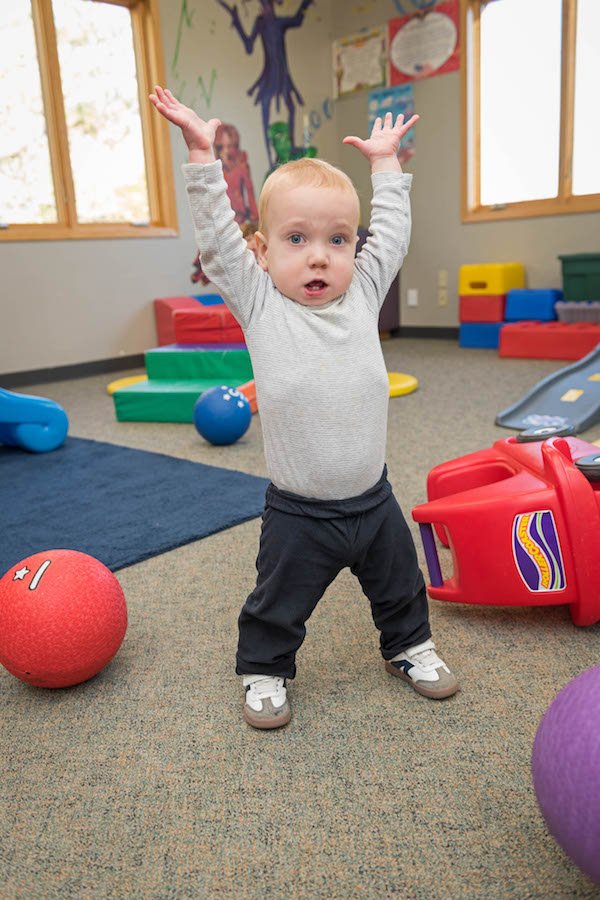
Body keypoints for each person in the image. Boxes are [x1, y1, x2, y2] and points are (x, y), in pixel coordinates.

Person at [149, 86, 459, 730]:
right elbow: (217, 243)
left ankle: (409, 646)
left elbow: (392, 235)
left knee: (401, 585)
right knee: (278, 601)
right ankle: (263, 668)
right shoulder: (259, 303)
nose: (320, 254)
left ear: (354, 247)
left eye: (338, 239)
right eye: (297, 238)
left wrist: (385, 167)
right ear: (262, 252)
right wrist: (202, 158)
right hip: (298, 511)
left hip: (373, 500)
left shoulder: (363, 293)